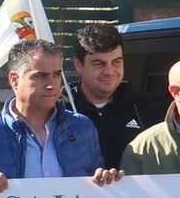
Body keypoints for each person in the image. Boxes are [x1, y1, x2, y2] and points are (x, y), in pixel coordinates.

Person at [0, 39, 119, 190]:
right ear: (14, 80)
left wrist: (106, 179)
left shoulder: (82, 127)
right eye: (40, 76)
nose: (51, 85)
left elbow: (99, 193)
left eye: (56, 75)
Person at [70, 22, 165, 166]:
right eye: (99, 64)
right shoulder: (61, 108)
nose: (109, 71)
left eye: (116, 62)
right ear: (78, 65)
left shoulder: (144, 107)